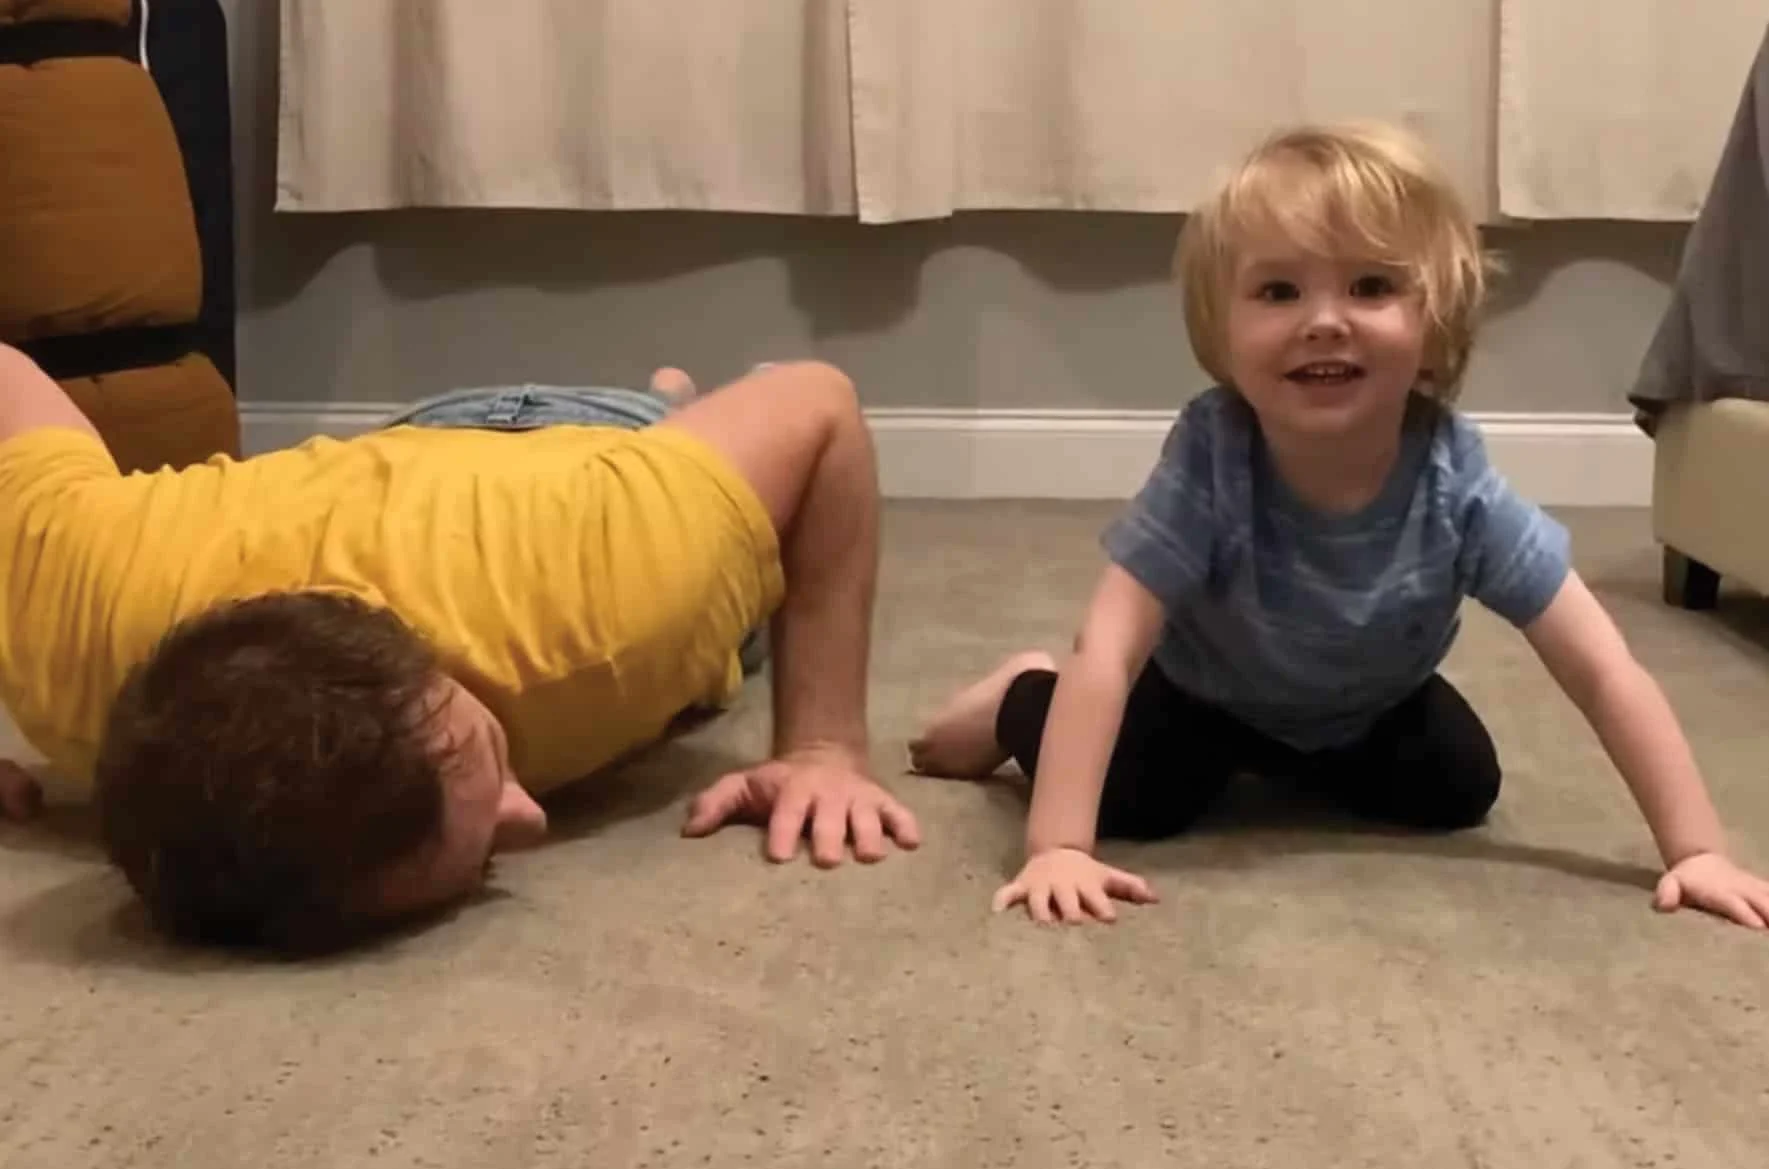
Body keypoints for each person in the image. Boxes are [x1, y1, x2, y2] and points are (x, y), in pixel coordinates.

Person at [910, 122, 1769, 932]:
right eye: (1279, 290)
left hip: (1369, 702)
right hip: (1204, 695)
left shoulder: (1453, 481)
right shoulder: (1214, 455)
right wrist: (1057, 845)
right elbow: (1110, 645)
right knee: (1137, 801)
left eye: (1370, 286)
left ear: (1433, 321)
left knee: (1459, 789)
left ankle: (1307, 760)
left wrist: (1695, 849)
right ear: (1222, 329)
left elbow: (1602, 666)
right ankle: (1023, 690)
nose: (1324, 318)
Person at [0, 349, 920, 951]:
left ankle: (675, 400)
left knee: (733, 633)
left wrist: (821, 745)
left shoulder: (607, 604)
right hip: (392, 468)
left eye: (489, 754)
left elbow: (820, 399)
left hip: (577, 446)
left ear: (426, 655)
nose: (530, 819)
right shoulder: (70, 621)